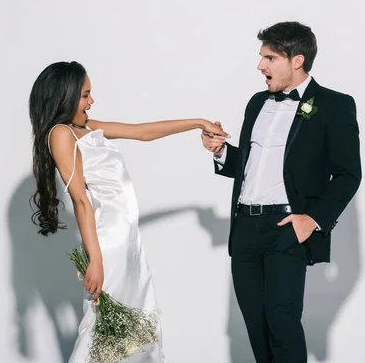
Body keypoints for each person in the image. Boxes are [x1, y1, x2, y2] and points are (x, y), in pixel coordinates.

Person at [28, 61, 228, 362]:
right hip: (108, 246)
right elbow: (81, 200)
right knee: (102, 334)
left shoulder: (83, 129)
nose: (91, 101)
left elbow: (144, 132)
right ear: (64, 95)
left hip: (128, 242)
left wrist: (199, 122)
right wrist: (95, 260)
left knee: (131, 335)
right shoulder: (60, 133)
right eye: (85, 95)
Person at [201, 21, 361, 362]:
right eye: (262, 57)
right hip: (244, 229)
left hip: (285, 230)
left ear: (297, 60)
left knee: (282, 324)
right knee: (255, 328)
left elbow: (349, 175)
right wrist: (220, 152)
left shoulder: (334, 105)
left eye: (269, 58)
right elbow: (251, 164)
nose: (260, 66)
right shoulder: (256, 103)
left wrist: (313, 220)